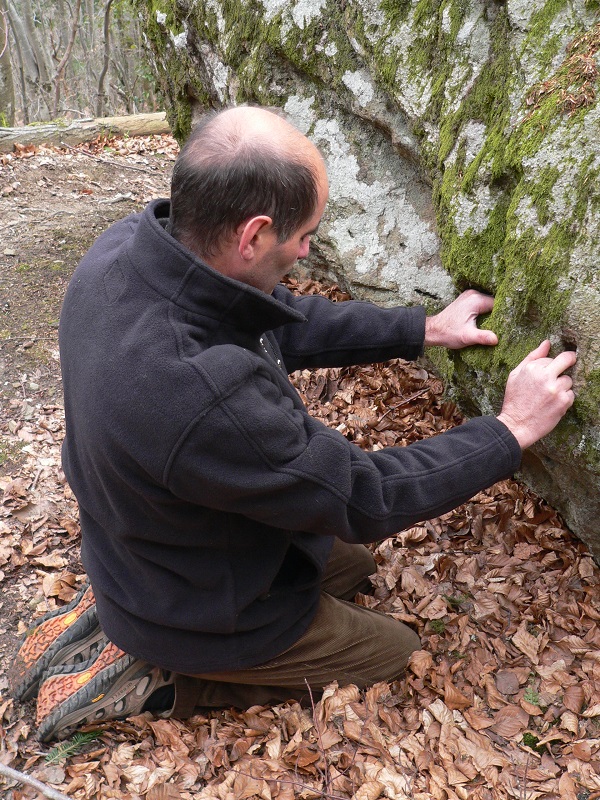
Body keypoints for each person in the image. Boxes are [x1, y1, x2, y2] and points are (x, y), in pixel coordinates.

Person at [9, 106, 576, 742]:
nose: (308, 250)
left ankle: (132, 610)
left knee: (355, 566)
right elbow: (365, 494)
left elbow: (275, 315)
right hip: (202, 604)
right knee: (396, 650)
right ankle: (168, 674)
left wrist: (423, 329)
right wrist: (509, 431)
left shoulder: (129, 252)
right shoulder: (200, 391)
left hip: (153, 538)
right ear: (252, 236)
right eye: (303, 235)